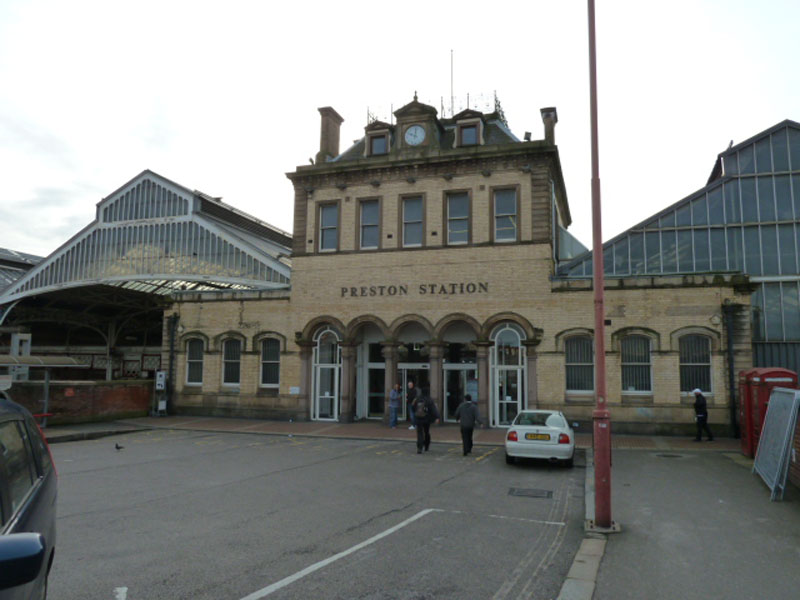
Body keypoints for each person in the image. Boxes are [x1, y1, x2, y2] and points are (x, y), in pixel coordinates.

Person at [412, 386, 439, 453]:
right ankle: (426, 446)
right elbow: (433, 409)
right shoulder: (429, 399)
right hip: (427, 418)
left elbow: (413, 407)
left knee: (419, 433)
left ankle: (419, 447)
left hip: (418, 418)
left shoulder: (418, 399)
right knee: (426, 432)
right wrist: (437, 417)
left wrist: (415, 414)